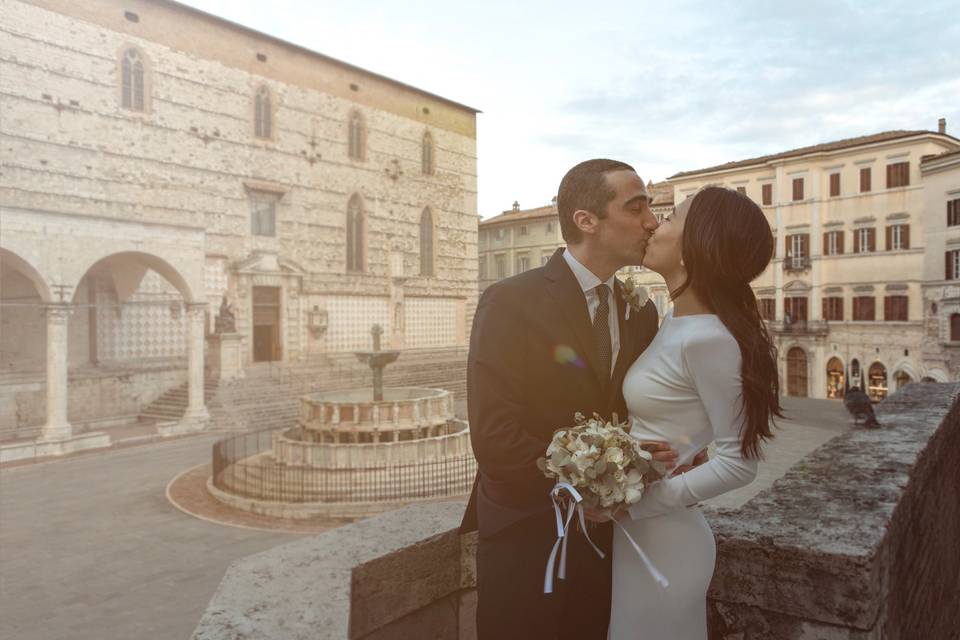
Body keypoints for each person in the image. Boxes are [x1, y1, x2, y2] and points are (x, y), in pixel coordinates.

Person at [461, 159, 704, 639]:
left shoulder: (640, 312)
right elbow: (493, 437)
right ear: (586, 220)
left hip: (611, 543)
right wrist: (579, 491)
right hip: (526, 539)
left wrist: (672, 450)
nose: (652, 222)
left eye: (652, 210)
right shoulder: (511, 301)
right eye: (636, 208)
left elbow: (635, 416)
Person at [608, 186, 782, 639]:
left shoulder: (709, 339)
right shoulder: (677, 323)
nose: (653, 225)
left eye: (669, 219)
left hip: (665, 540)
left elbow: (738, 463)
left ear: (695, 247)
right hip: (642, 535)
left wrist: (636, 505)